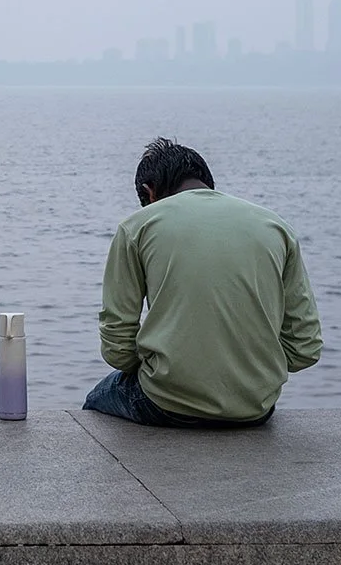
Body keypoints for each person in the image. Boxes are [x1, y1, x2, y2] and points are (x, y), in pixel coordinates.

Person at [85, 138, 323, 427]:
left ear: (149, 192)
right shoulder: (277, 227)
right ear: (207, 184)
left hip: (166, 403)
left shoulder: (137, 226)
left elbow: (117, 345)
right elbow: (305, 348)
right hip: (255, 408)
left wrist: (154, 369)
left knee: (97, 400)